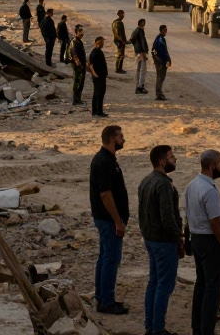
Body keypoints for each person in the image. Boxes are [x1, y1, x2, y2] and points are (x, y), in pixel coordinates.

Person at [185, 150, 220, 335]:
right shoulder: (209, 191)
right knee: (213, 289)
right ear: (212, 166)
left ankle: (197, 328)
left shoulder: (192, 185)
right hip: (209, 242)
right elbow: (215, 223)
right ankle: (207, 330)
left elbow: (187, 215)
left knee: (201, 285)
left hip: (196, 239)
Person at [139, 144, 183, 335]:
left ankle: (150, 326)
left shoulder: (146, 180)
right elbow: (168, 218)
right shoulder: (163, 184)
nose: (175, 160)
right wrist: (178, 241)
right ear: (162, 161)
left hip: (150, 239)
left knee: (154, 283)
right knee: (164, 285)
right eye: (172, 157)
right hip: (163, 241)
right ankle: (158, 329)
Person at [90, 125, 130, 315]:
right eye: (121, 137)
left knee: (105, 258)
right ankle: (106, 301)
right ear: (113, 140)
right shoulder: (103, 161)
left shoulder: (108, 159)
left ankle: (102, 297)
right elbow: (106, 194)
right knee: (111, 259)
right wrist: (117, 221)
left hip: (106, 218)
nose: (124, 139)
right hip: (108, 219)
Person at [90, 36, 110, 118]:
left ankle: (97, 111)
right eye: (102, 42)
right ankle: (98, 111)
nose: (103, 44)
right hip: (98, 76)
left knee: (99, 93)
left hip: (101, 76)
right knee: (99, 94)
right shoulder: (95, 52)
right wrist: (95, 75)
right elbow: (90, 65)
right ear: (98, 43)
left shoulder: (98, 52)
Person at [151, 25, 171, 101]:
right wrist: (157, 60)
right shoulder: (159, 39)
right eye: (165, 30)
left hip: (163, 61)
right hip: (160, 62)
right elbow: (153, 51)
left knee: (162, 77)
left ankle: (159, 92)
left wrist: (169, 60)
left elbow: (165, 51)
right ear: (161, 30)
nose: (166, 32)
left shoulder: (162, 39)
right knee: (160, 77)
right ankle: (158, 94)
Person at [131, 18, 150, 94]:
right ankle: (140, 86)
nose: (144, 25)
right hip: (141, 52)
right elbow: (142, 42)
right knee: (143, 70)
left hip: (138, 52)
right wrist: (143, 52)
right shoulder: (140, 31)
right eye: (143, 23)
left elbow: (132, 40)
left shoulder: (136, 31)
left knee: (138, 69)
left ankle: (138, 86)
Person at [70, 25, 88, 106]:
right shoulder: (74, 42)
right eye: (80, 31)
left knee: (81, 83)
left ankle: (78, 99)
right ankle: (76, 100)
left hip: (81, 66)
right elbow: (74, 55)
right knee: (77, 83)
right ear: (77, 32)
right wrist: (79, 64)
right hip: (78, 67)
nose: (82, 33)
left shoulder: (79, 41)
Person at [112, 10, 128, 74]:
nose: (123, 16)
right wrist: (123, 41)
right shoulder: (119, 23)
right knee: (121, 55)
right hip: (120, 41)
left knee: (119, 54)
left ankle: (118, 68)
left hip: (116, 40)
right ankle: (119, 68)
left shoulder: (114, 22)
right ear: (119, 14)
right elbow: (120, 34)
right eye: (122, 14)